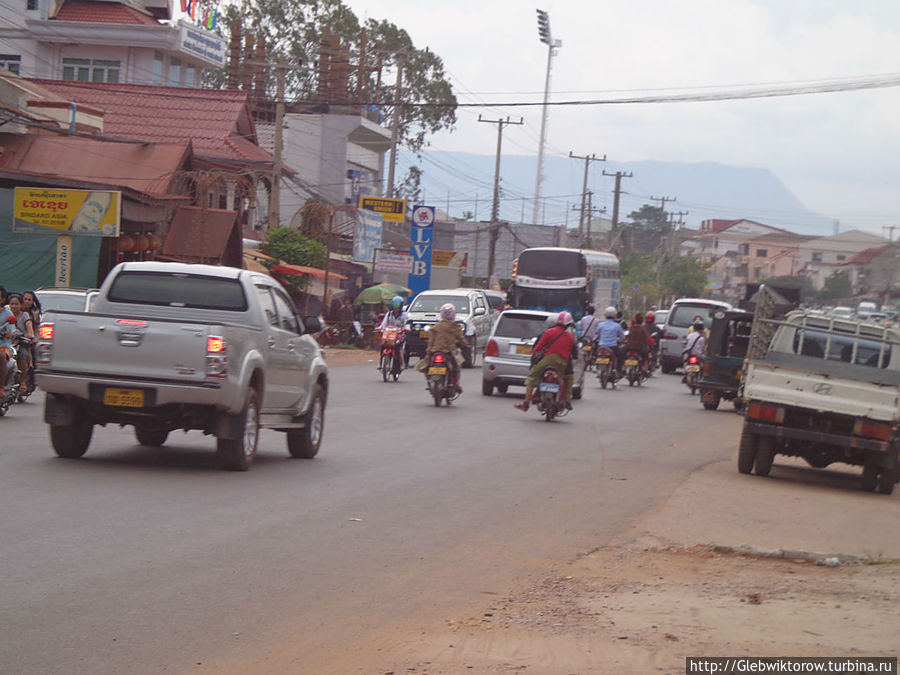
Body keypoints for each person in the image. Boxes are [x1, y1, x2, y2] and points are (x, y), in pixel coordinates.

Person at [515, 311, 576, 412]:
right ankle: (565, 400)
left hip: (548, 360)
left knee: (532, 377)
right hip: (562, 363)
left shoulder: (549, 332)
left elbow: (538, 347)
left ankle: (526, 403)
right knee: (562, 379)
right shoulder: (569, 336)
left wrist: (534, 357)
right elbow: (571, 352)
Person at [424, 303, 468, 393]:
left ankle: (429, 382)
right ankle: (455, 384)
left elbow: (431, 341)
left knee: (426, 366)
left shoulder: (436, 326)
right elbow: (462, 339)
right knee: (457, 367)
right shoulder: (455, 327)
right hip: (449, 352)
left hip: (434, 351)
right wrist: (466, 344)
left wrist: (428, 352)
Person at [7, 293, 34, 392]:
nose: (14, 306)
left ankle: (22, 381)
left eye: (16, 304)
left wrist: (27, 334)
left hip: (21, 343)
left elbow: (30, 330)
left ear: (21, 305)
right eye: (12, 304)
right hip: (7, 343)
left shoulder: (25, 315)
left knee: (22, 358)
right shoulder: (6, 314)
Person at [378, 295, 409, 367]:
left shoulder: (404, 315)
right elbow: (384, 324)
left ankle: (402, 364)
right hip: (389, 335)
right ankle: (380, 363)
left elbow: (406, 324)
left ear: (401, 305)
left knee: (399, 348)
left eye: (398, 305)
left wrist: (406, 329)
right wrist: (380, 328)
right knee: (383, 346)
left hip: (399, 335)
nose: (396, 307)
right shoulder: (389, 314)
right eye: (395, 305)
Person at [596, 305, 626, 372]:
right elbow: (622, 337)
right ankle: (619, 370)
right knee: (620, 356)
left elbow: (598, 335)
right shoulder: (617, 326)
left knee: (596, 353)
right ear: (615, 315)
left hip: (601, 346)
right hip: (612, 346)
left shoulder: (600, 325)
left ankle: (596, 366)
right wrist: (622, 341)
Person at [0, 286, 17, 395]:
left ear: (2, 300)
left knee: (1, 356)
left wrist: (9, 333)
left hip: (3, 346)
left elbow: (12, 331)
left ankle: (1, 387)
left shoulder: (8, 314)